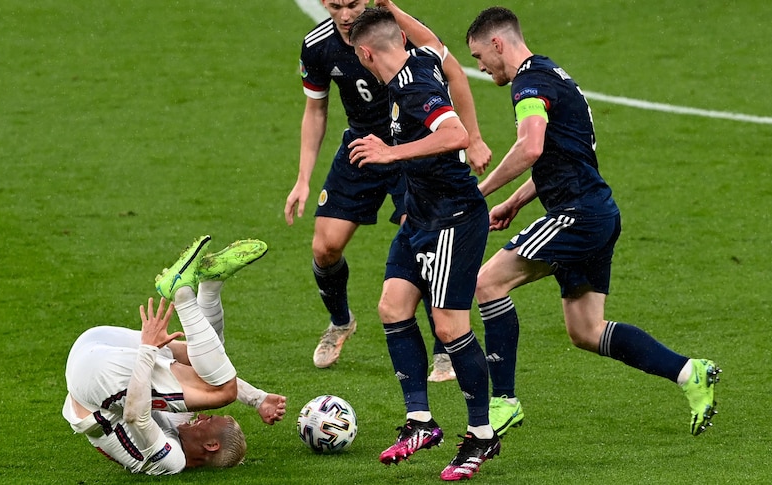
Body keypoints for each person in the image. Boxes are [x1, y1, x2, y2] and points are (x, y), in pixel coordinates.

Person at [464, 6, 721, 438]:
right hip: (596, 211)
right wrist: (516, 201)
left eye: (477, 56)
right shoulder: (555, 76)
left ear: (497, 43)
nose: (480, 66)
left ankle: (503, 401)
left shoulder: (530, 83)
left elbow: (529, 148)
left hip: (577, 216)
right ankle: (689, 373)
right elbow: (562, 157)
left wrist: (480, 192)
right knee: (586, 330)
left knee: (487, 283)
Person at [285, 0, 492, 377]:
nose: (346, 15)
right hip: (363, 147)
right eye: (335, 6)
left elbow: (454, 74)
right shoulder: (317, 46)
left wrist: (474, 138)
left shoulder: (400, 34)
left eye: (353, 5)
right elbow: (315, 110)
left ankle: (443, 345)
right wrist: (303, 178)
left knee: (424, 241)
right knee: (324, 246)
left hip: (412, 148)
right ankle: (341, 321)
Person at [347, 6, 498, 481]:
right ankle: (420, 422)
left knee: (450, 328)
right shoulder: (422, 58)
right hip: (420, 214)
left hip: (453, 218)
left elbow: (452, 133)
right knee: (393, 306)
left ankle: (482, 435)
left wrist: (391, 152)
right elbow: (435, 42)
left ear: (366, 52)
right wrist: (391, 7)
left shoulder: (414, 87)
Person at [62, 237, 287, 475]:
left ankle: (182, 292)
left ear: (211, 445)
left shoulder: (172, 461)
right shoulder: (179, 431)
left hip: (95, 379)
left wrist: (148, 349)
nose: (200, 416)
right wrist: (257, 398)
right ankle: (211, 284)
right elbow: (203, 373)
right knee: (202, 360)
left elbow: (134, 417)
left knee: (224, 391)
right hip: (91, 358)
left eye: (208, 420)